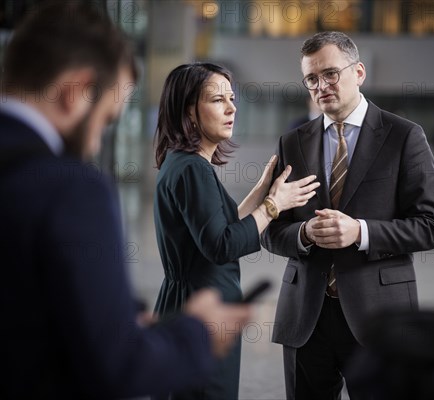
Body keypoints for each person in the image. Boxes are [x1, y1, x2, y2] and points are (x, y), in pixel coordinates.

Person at [0, 3, 252, 398]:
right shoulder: (70, 190)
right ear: (74, 92)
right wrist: (197, 334)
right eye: (105, 119)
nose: (98, 140)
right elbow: (118, 368)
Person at [261, 31, 434, 399]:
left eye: (330, 73)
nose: (321, 86)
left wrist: (360, 232)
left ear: (358, 72)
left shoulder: (404, 136)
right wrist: (305, 234)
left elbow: (429, 227)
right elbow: (270, 230)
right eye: (311, 79)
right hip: (306, 319)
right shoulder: (293, 142)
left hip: (379, 317)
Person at [152, 62, 320, 400]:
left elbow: (217, 226)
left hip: (191, 303)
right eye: (217, 100)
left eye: (232, 98)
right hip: (203, 311)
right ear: (190, 111)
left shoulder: (185, 162)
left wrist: (262, 190)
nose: (231, 108)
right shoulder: (193, 169)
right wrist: (274, 206)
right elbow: (222, 245)